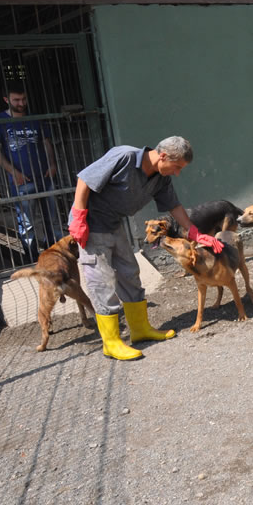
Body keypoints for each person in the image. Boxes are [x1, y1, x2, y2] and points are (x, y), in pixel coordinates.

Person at [68, 136, 224, 361]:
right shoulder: (124, 156)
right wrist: (79, 217)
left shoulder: (160, 178)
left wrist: (195, 233)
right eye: (177, 166)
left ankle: (140, 330)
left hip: (114, 223)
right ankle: (111, 343)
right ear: (163, 156)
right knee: (101, 280)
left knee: (129, 273)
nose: (177, 173)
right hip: (90, 225)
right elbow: (84, 180)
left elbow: (174, 206)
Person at [0, 81, 64, 261]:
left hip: (44, 176)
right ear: (6, 99)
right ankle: (31, 258)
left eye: (23, 99)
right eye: (16, 100)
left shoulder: (35, 118)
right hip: (22, 180)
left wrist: (52, 164)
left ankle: (57, 254)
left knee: (52, 218)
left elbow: (46, 143)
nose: (21, 103)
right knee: (27, 222)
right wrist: (13, 172)